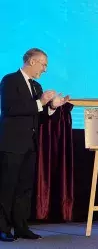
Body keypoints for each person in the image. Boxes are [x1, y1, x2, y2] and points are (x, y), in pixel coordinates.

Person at [0, 48, 69, 242]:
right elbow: (9, 109)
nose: (45, 69)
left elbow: (37, 118)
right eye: (44, 64)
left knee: (24, 189)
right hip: (11, 144)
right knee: (7, 188)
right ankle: (3, 228)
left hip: (30, 145)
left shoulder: (37, 86)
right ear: (32, 62)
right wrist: (40, 102)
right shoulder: (9, 80)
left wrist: (52, 107)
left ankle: (21, 227)